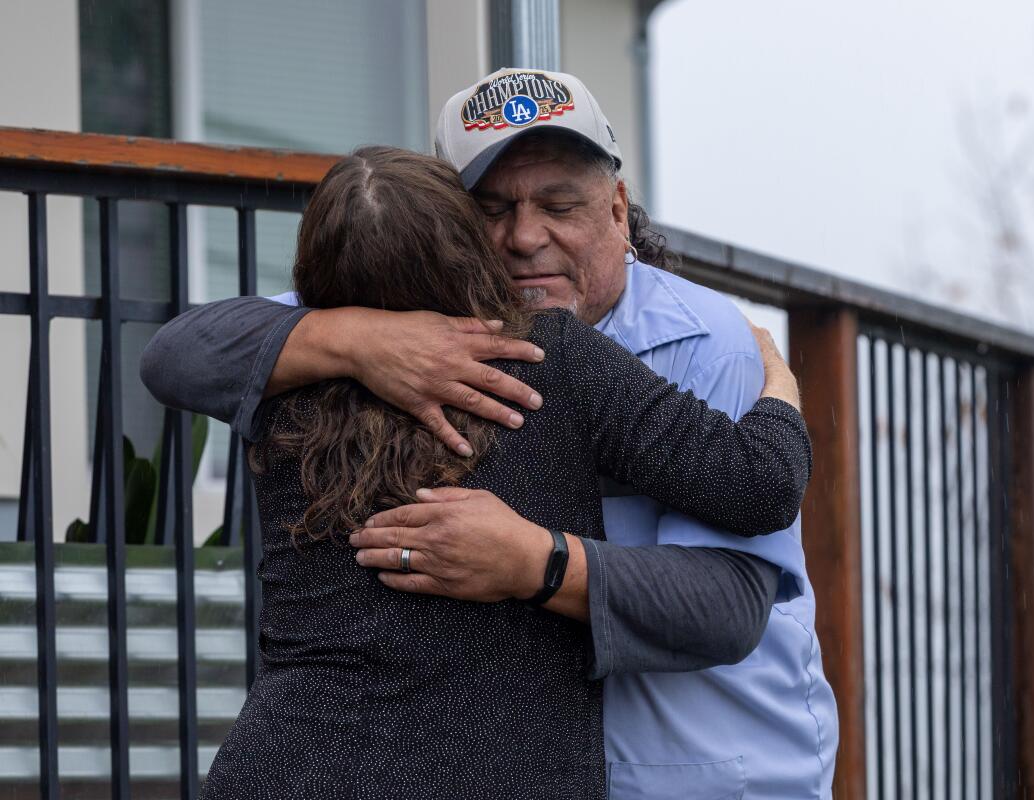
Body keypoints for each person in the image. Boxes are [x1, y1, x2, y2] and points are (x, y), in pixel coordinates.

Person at [142, 68, 838, 799]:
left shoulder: (708, 343)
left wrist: (533, 560)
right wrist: (359, 341)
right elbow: (177, 354)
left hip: (705, 770)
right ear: (446, 221)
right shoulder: (373, 321)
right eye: (492, 208)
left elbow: (726, 607)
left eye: (561, 204)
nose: (526, 237)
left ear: (618, 210)